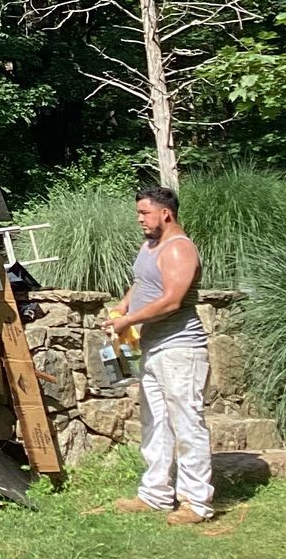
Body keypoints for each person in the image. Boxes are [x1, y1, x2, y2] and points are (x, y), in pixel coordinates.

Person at [107, 185, 213, 525]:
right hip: (153, 347)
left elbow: (171, 300)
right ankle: (154, 494)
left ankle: (196, 503)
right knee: (155, 422)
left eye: (145, 213)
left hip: (181, 348)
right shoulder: (150, 245)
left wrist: (129, 320)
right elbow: (142, 282)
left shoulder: (180, 249)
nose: (139, 219)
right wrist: (122, 305)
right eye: (138, 213)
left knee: (187, 424)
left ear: (165, 213)